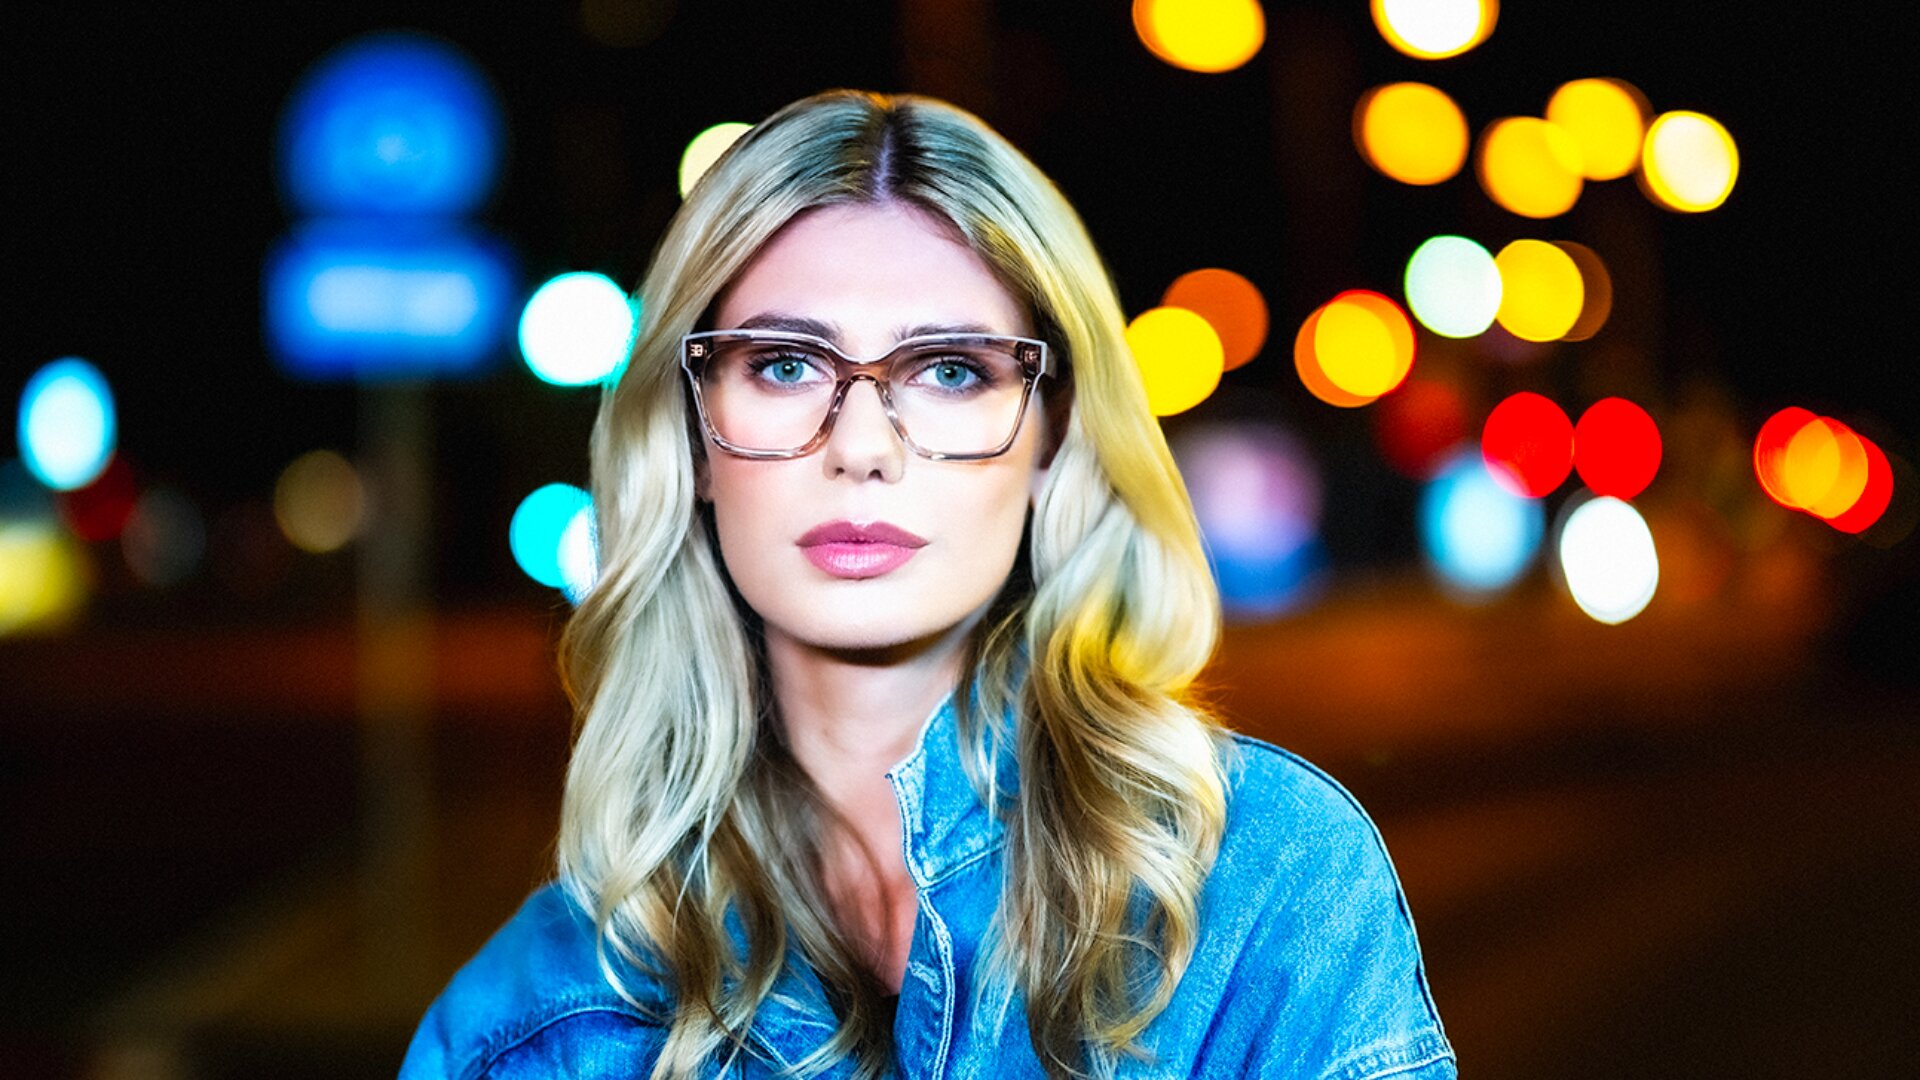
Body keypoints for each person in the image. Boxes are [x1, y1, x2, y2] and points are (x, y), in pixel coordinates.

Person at [401, 89, 1454, 1080]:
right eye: (784, 365)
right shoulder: (532, 1024)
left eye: (950, 370)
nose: (862, 447)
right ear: (693, 435)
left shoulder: (1266, 886)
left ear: (1053, 438)